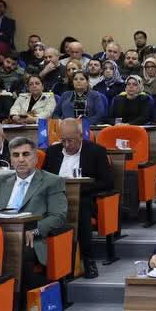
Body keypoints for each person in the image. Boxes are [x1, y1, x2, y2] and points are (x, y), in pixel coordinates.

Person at [0, 137, 68, 290]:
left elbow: (58, 216)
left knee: (18, 253)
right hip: (0, 236)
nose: (21, 159)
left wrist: (35, 231)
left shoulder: (52, 181)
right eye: (16, 155)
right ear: (11, 160)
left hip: (31, 239)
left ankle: (19, 299)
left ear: (35, 158)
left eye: (26, 154)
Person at [42, 118, 113, 278]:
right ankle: (50, 262)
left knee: (81, 207)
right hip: (54, 199)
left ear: (81, 136)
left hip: (85, 198)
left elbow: (107, 182)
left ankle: (88, 260)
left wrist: (79, 188)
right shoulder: (52, 152)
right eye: (63, 140)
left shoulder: (96, 151)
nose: (67, 145)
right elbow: (43, 179)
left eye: (71, 140)